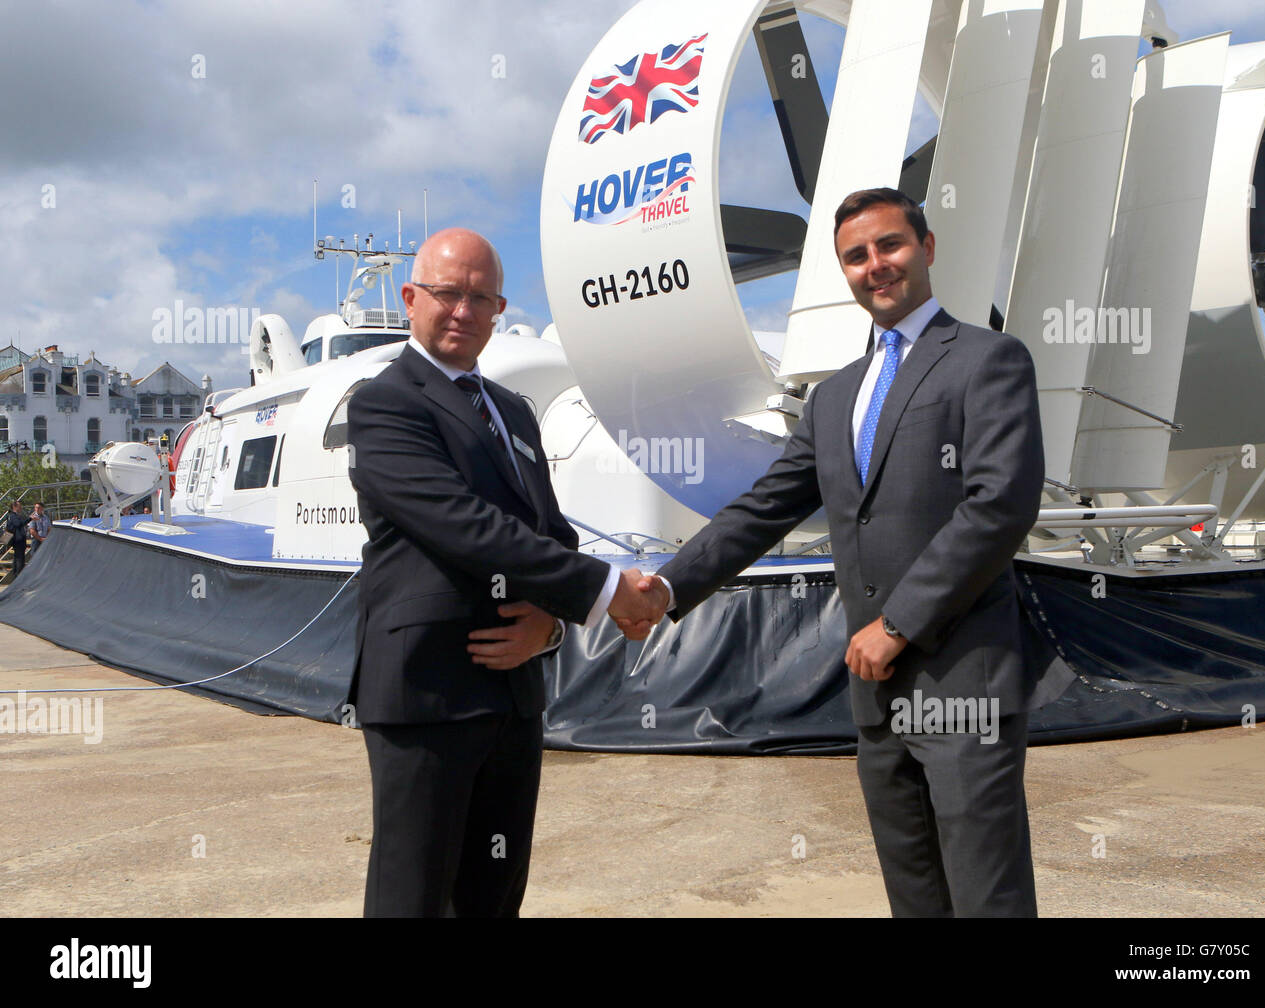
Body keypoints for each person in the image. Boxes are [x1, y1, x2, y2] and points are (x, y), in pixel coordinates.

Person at [627, 188, 1073, 917]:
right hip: (875, 696)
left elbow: (999, 506)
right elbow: (764, 507)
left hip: (961, 683)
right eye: (856, 256)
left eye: (890, 246)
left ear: (926, 249)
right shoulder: (835, 397)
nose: (876, 266)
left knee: (985, 895)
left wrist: (898, 624)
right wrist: (668, 590)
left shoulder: (988, 360)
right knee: (914, 897)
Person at [346, 226, 659, 917]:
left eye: (480, 298)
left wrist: (549, 625)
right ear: (410, 298)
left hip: (513, 698)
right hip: (426, 695)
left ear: (499, 309)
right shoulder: (384, 404)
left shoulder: (514, 411)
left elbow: (551, 531)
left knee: (493, 897)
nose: (463, 310)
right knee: (412, 898)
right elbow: (461, 524)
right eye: (447, 293)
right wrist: (606, 591)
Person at [5, 500, 28, 578]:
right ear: (14, 507)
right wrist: (30, 519)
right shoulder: (13, 515)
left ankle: (16, 575)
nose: (21, 507)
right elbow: (18, 524)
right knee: (20, 559)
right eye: (19, 506)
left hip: (18, 539)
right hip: (17, 540)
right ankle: (18, 576)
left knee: (17, 558)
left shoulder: (14, 515)